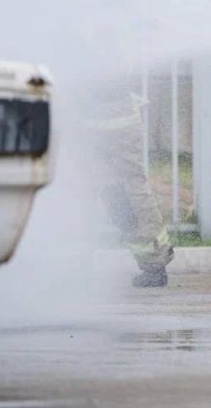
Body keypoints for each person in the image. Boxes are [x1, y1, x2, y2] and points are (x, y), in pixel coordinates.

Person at [88, 90, 174, 287]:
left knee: (123, 189)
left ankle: (153, 262)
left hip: (104, 113)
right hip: (109, 112)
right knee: (122, 189)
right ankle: (153, 263)